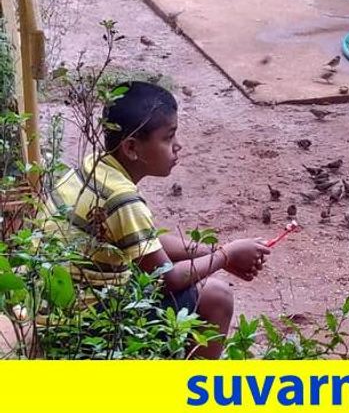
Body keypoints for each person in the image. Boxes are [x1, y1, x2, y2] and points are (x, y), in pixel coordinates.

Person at [42, 81, 270, 359]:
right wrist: (226, 255)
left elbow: (146, 241)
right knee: (216, 297)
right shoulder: (122, 198)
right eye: (168, 137)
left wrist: (212, 253)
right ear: (131, 148)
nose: (178, 146)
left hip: (51, 312)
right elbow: (167, 279)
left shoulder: (92, 167)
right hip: (86, 328)